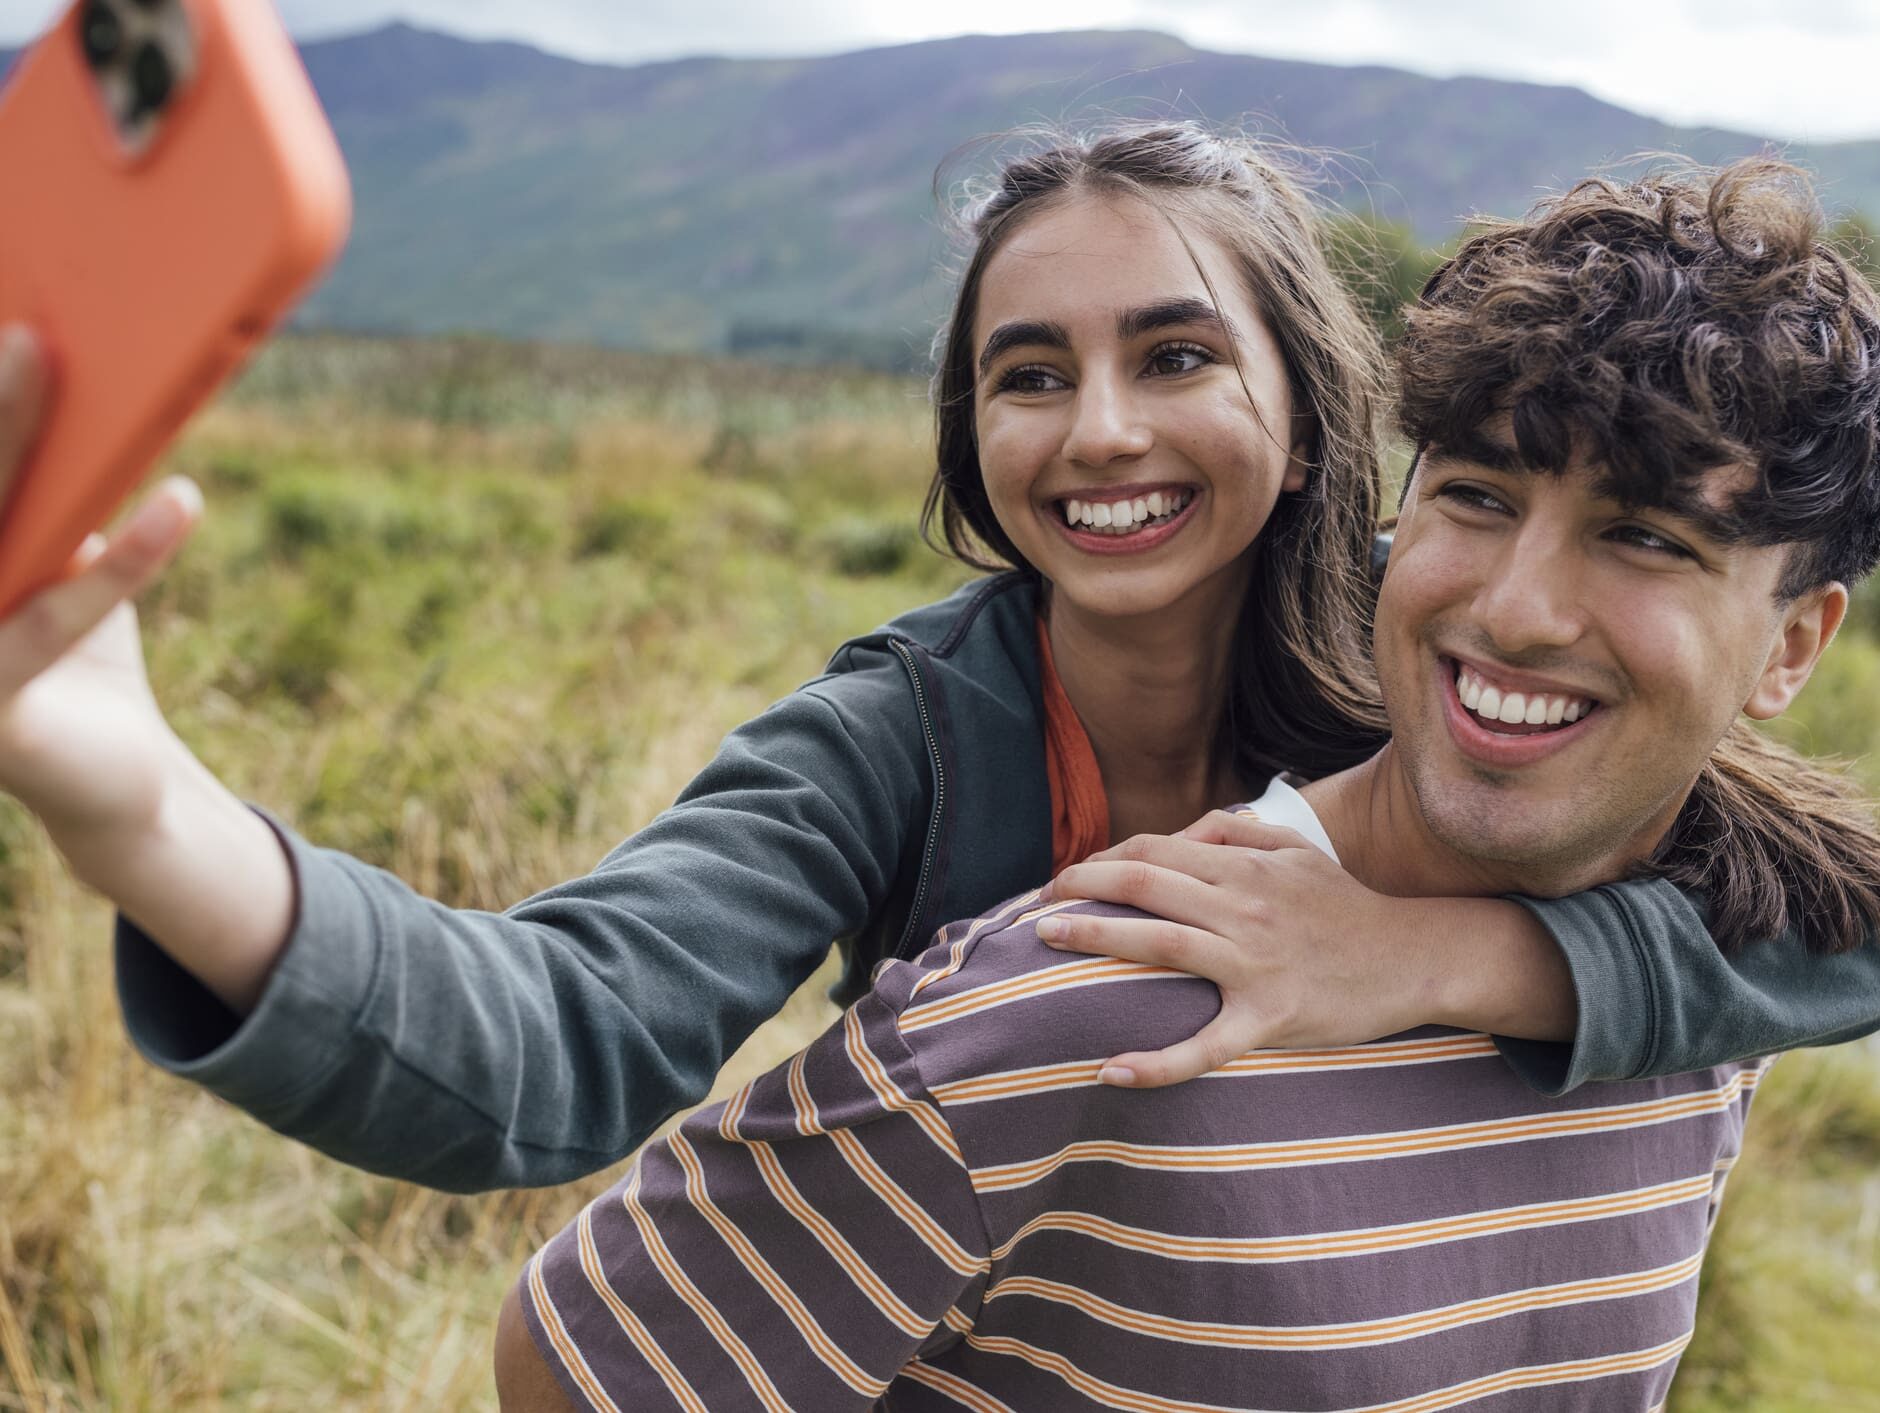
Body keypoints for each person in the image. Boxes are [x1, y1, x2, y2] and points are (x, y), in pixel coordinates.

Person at [0, 126, 1873, 1194]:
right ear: (970, 437)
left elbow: (1835, 918)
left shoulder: (1457, 648)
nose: (1101, 432)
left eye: (1177, 356)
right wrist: (135, 797)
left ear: (1312, 417)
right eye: (1027, 375)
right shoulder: (892, 740)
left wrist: (1421, 955)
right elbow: (546, 1044)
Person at [496, 155, 1880, 1411]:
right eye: (1475, 496)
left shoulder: (1721, 955)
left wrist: (1446, 957)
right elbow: (576, 1370)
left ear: (1794, 647)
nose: (1518, 611)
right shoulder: (1100, 988)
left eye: (1644, 538)